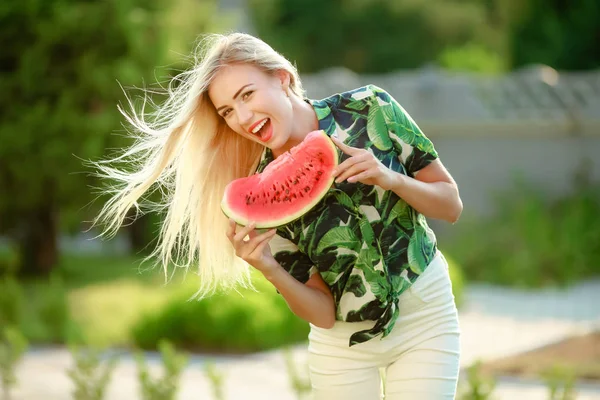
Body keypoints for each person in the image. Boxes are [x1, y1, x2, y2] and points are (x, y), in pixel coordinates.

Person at [93, 32, 464, 399]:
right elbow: (322, 313)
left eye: (247, 95)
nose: (242, 116)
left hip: (425, 317)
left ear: (282, 78)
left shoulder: (369, 109)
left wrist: (391, 178)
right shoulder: (260, 200)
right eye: (227, 111)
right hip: (343, 344)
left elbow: (450, 206)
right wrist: (268, 266)